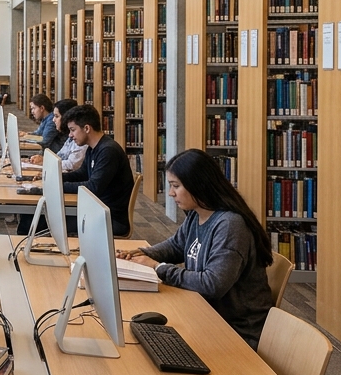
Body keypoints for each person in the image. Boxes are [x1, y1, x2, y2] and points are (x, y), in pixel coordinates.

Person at [118, 149, 276, 348]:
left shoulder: (230, 225)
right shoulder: (197, 213)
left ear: (198, 185)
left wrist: (159, 268)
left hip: (235, 331)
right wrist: (141, 254)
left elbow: (212, 284)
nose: (170, 193)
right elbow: (176, 245)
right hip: (204, 311)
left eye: (176, 186)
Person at [60, 103, 135, 236]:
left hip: (111, 218)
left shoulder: (108, 151)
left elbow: (93, 187)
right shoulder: (93, 147)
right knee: (51, 218)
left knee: (52, 223)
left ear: (87, 128)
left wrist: (60, 186)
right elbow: (82, 174)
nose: (70, 135)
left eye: (73, 130)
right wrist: (57, 178)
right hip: (98, 209)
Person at [28, 98, 86, 171]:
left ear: (66, 118)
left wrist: (46, 161)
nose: (53, 120)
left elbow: (71, 165)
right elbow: (58, 156)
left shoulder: (80, 139)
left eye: (57, 116)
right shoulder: (70, 137)